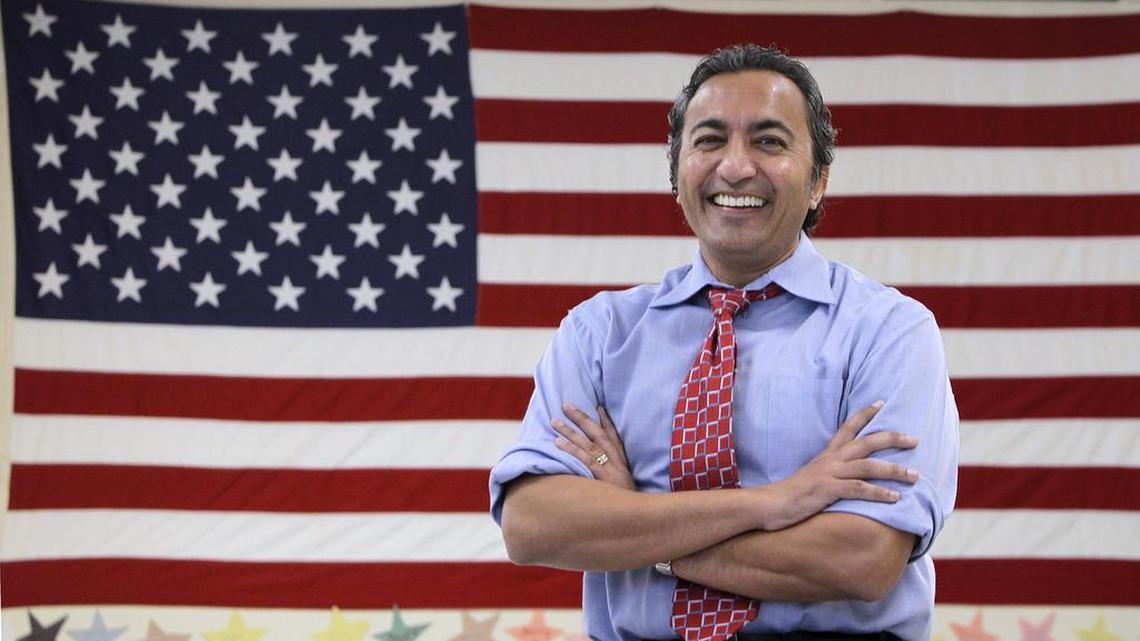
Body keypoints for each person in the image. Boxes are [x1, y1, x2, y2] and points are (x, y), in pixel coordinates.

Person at [488, 44, 958, 641]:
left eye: (769, 141)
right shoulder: (598, 334)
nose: (735, 166)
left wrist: (641, 527)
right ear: (677, 174)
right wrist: (774, 502)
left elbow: (862, 558)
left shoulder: (889, 331)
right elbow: (532, 526)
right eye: (709, 140)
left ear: (818, 181)